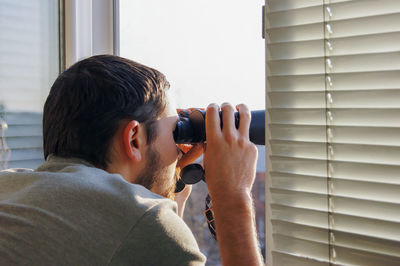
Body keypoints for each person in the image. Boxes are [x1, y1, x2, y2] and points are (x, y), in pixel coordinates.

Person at [0, 55, 263, 265]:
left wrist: (173, 187)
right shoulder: (143, 220)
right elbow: (144, 231)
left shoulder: (9, 188)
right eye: (175, 132)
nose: (178, 149)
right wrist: (234, 195)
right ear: (134, 138)